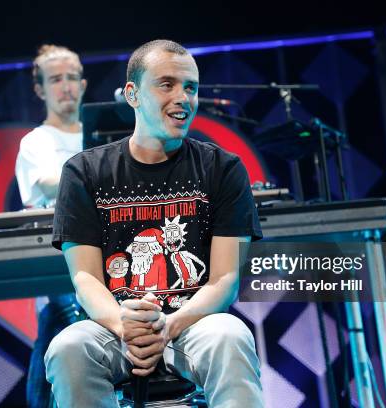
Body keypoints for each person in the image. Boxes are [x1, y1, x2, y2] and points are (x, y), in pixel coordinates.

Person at [46, 39, 264, 407]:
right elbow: (85, 279)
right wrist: (123, 326)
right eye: (167, 84)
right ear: (132, 94)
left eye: (190, 87)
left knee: (231, 336)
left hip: (194, 325)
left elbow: (226, 279)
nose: (183, 97)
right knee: (67, 347)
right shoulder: (83, 172)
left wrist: (169, 326)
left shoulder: (223, 169)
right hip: (115, 326)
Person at [14, 44, 87, 408]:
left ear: (84, 84)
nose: (66, 86)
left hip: (113, 262)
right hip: (60, 266)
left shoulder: (103, 136)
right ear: (41, 89)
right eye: (56, 79)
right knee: (63, 327)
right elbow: (45, 183)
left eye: (72, 77)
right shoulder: (36, 142)